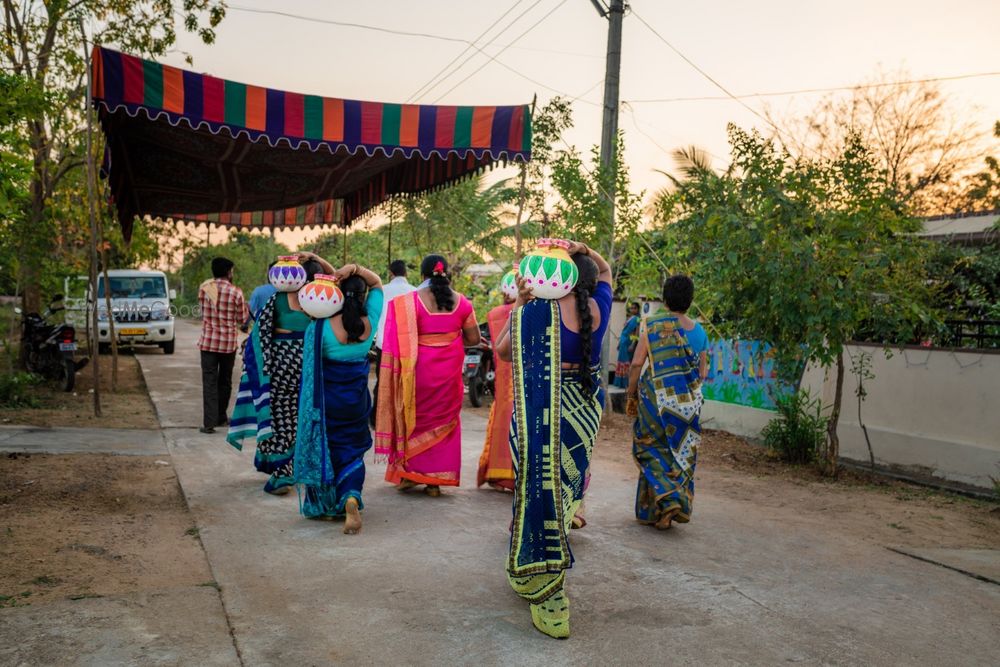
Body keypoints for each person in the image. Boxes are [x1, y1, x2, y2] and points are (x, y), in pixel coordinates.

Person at [496, 240, 612, 640]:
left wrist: (518, 307)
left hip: (536, 414)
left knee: (534, 489)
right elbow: (608, 272)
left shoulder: (533, 312)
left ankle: (545, 587)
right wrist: (585, 248)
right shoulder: (598, 308)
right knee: (562, 497)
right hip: (583, 414)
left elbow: (502, 353)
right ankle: (548, 575)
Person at [227, 250, 335, 495]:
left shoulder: (278, 299)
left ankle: (282, 474)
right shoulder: (319, 300)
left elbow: (259, 334)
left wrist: (256, 364)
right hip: (309, 364)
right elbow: (333, 275)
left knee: (280, 416)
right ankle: (299, 467)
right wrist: (315, 257)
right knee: (304, 415)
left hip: (281, 363)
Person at [374, 254, 480, 496]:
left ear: (422, 276)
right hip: (449, 373)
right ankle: (434, 482)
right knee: (445, 423)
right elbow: (473, 339)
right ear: (447, 274)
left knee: (414, 418)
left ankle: (409, 476)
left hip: (417, 372)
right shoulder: (463, 303)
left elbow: (396, 339)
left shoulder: (409, 302)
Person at [294, 263, 383, 534]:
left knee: (328, 447)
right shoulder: (372, 320)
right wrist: (356, 268)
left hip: (326, 400)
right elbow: (377, 283)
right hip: (356, 400)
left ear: (339, 295)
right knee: (353, 449)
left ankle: (327, 505)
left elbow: (309, 366)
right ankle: (351, 497)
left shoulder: (321, 327)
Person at [626, 274, 705, 532]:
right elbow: (702, 372)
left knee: (648, 448)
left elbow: (637, 363)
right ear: (690, 301)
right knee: (677, 453)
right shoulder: (700, 331)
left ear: (665, 297)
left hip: (656, 397)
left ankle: (669, 498)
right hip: (688, 401)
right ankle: (659, 513)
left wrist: (631, 393)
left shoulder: (651, 324)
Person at [197, 257, 249, 434]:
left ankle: (209, 423)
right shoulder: (236, 292)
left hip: (208, 342)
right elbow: (242, 319)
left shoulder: (204, 289)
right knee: (225, 381)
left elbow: (202, 311)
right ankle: (220, 416)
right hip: (227, 344)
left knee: (209, 381)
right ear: (228, 272)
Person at [476, 283, 516, 491]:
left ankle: (499, 474)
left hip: (504, 380)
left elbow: (498, 347)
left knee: (503, 422)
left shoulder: (497, 314)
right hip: (528, 380)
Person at [370, 260, 416, 426]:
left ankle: (376, 419)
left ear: (391, 273)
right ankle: (403, 420)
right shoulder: (415, 292)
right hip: (407, 345)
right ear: (406, 273)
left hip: (384, 343)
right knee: (406, 382)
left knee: (382, 382)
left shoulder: (383, 291)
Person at [613, 301, 641, 388]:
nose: (632, 309)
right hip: (623, 341)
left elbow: (636, 333)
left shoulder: (637, 319)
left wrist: (633, 344)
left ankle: (626, 383)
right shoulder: (629, 318)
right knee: (621, 361)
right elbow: (623, 331)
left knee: (626, 362)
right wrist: (619, 343)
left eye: (634, 308)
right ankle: (620, 383)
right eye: (631, 308)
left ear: (637, 309)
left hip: (629, 342)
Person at [245, 260, 278, 326]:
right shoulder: (293, 292)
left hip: (262, 329)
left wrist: (245, 324)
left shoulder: (259, 290)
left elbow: (250, 310)